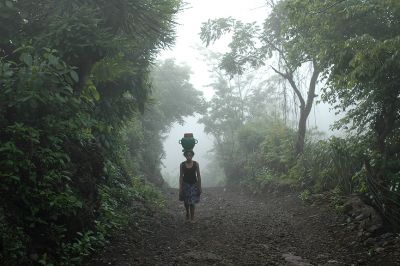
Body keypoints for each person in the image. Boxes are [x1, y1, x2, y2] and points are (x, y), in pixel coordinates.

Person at [179, 150, 202, 223]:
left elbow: (198, 175)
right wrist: (180, 188)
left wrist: (199, 186)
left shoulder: (196, 164)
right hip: (185, 184)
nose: (189, 157)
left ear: (192, 156)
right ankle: (187, 213)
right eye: (187, 155)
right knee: (186, 201)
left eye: (190, 155)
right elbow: (181, 177)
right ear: (185, 156)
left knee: (192, 202)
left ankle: (192, 218)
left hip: (194, 184)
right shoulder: (182, 164)